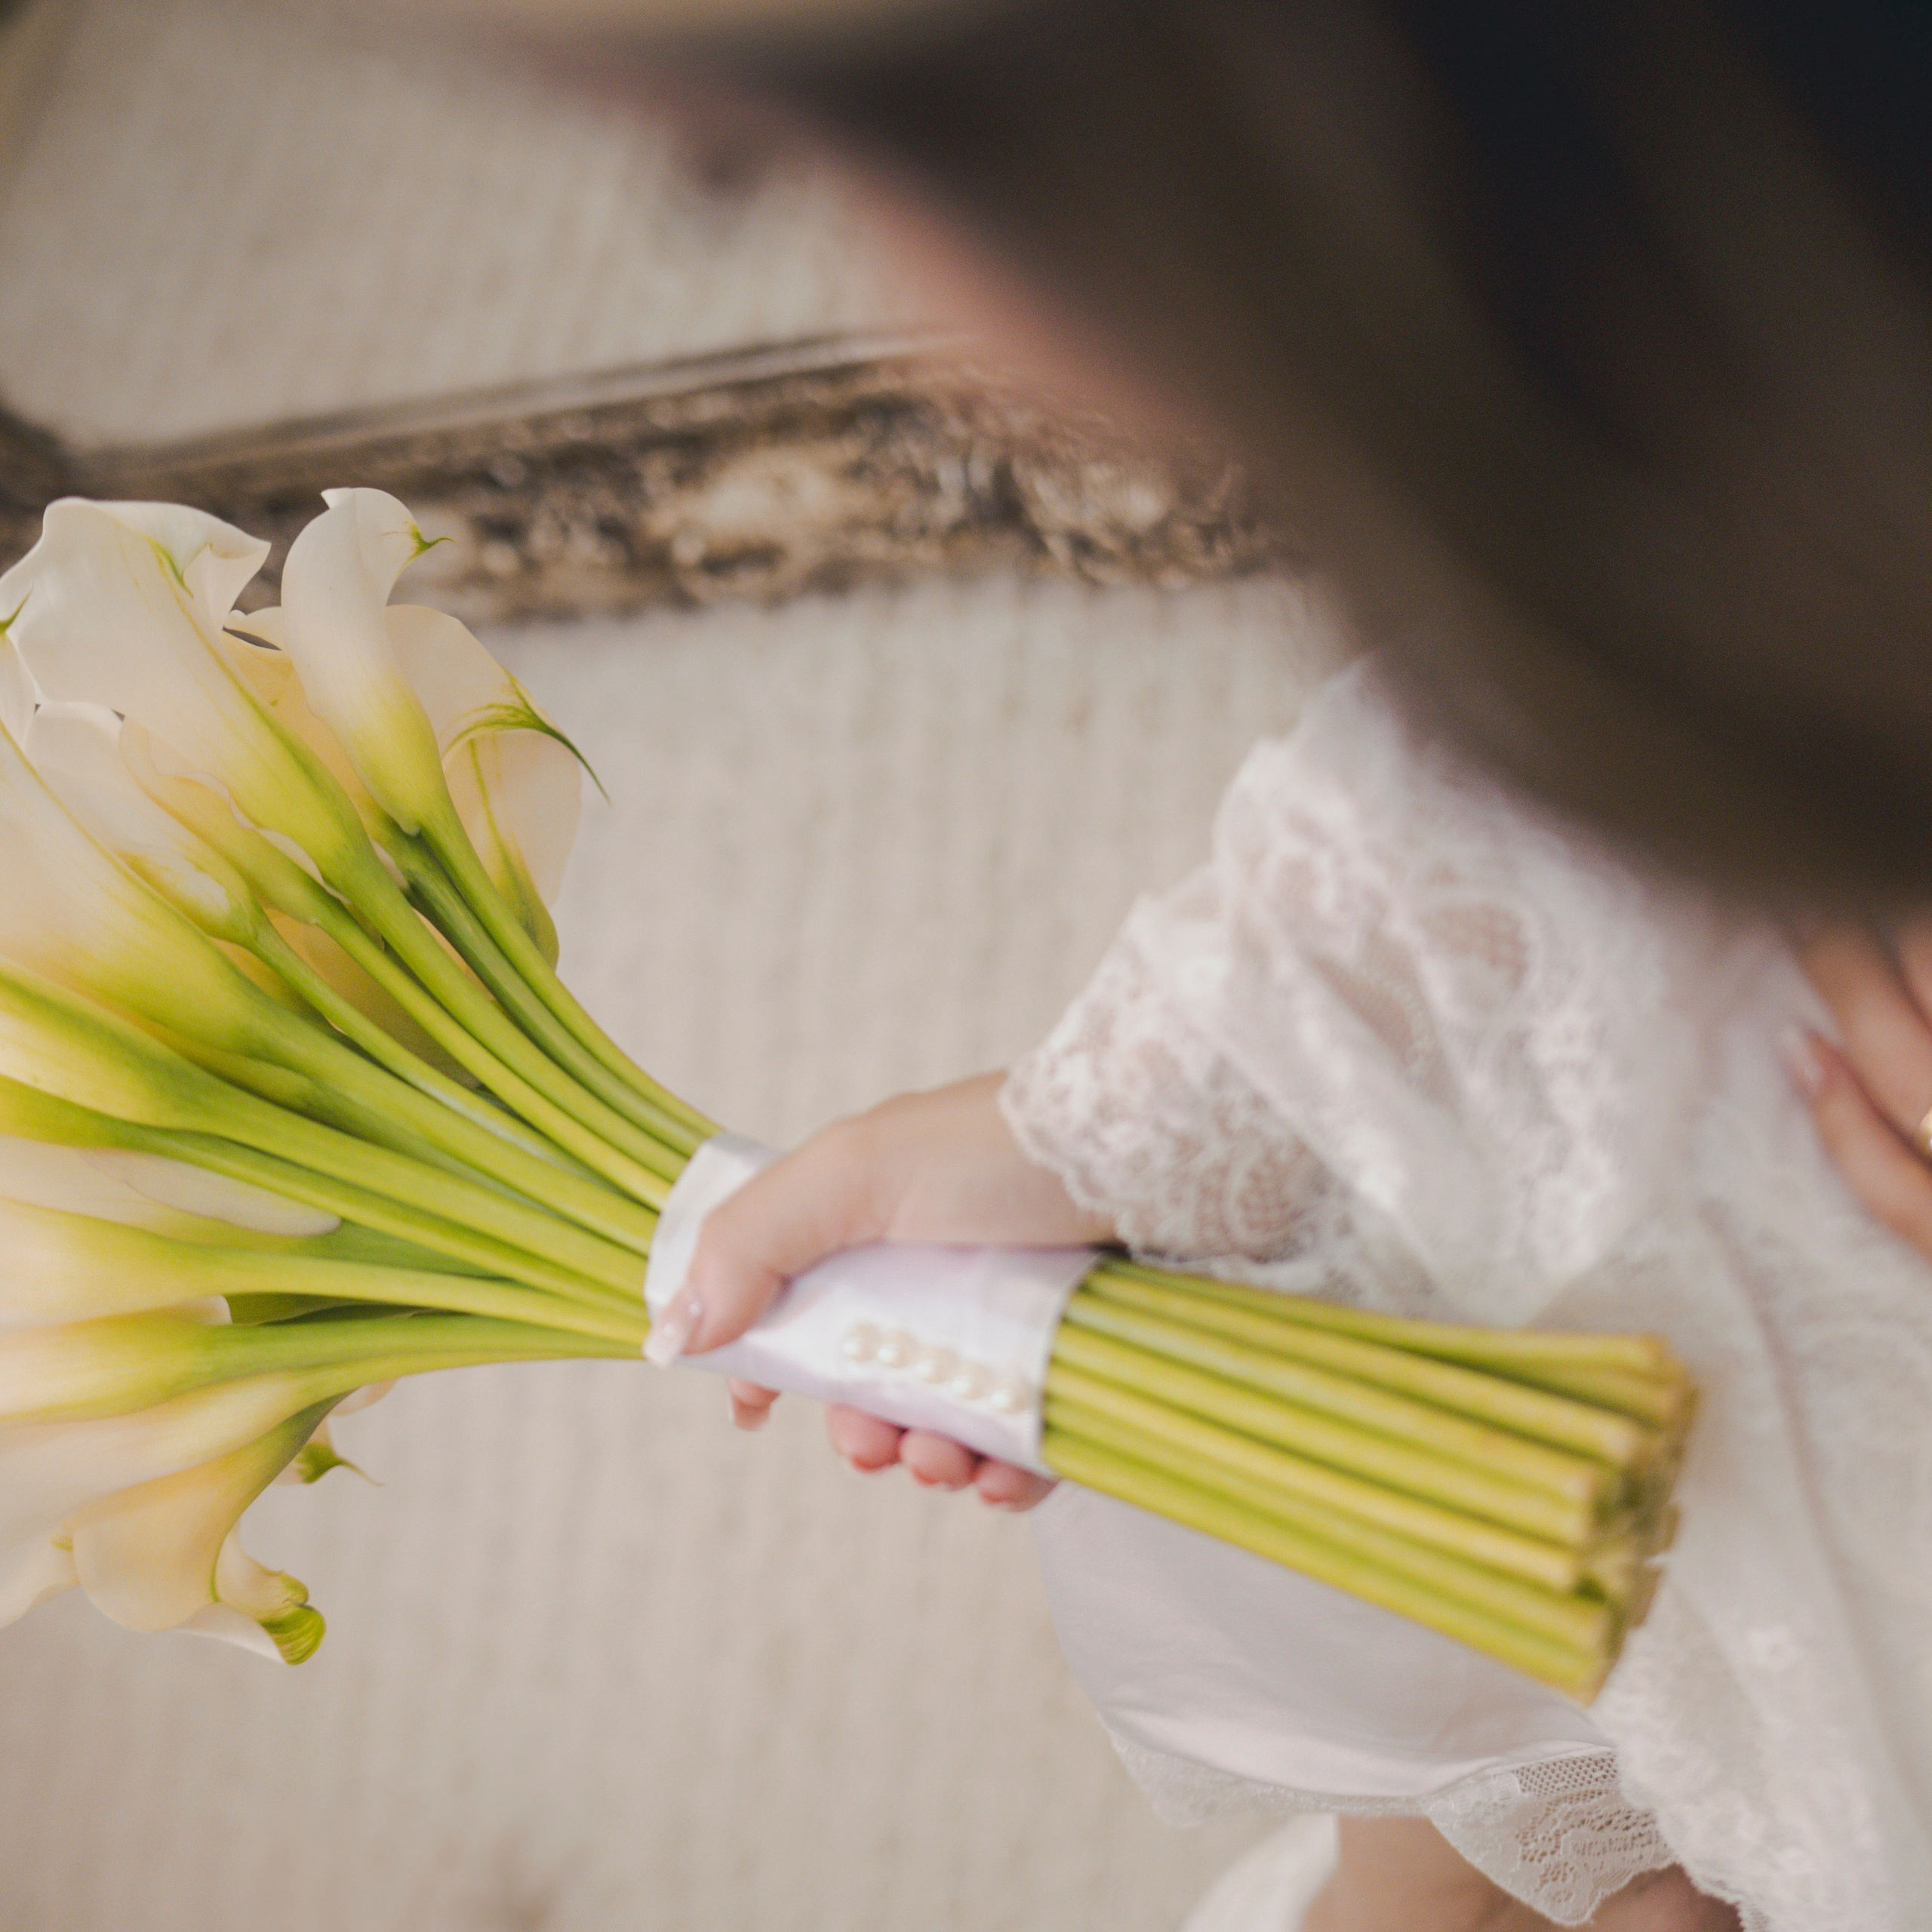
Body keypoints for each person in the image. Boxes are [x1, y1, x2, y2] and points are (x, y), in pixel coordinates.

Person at [414, 2, 1932, 1925]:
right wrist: (1076, 1130)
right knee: (1344, 1268)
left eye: (765, 167)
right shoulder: (1704, 507)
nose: (921, 344)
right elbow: (1477, 858)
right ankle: (1487, 1855)